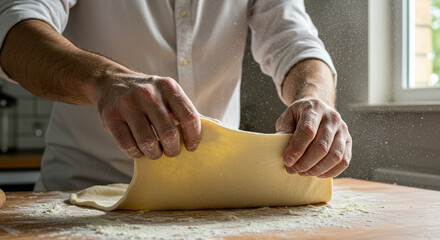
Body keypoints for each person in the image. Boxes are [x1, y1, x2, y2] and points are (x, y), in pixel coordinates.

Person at [0, 0, 352, 191]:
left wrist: (314, 99)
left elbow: (296, 43)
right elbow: (14, 28)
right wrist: (105, 81)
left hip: (214, 200)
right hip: (79, 197)